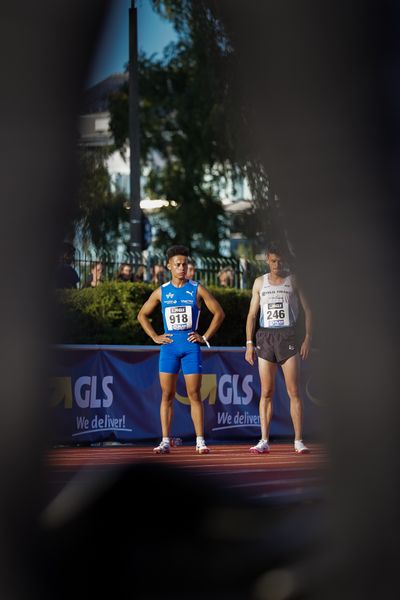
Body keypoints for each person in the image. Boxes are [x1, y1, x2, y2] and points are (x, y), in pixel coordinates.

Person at [137, 245, 225, 454]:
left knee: (194, 394)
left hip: (190, 347)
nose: (182, 268)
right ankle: (165, 440)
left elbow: (219, 313)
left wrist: (204, 337)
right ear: (169, 266)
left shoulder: (196, 289)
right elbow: (142, 315)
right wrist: (154, 336)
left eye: (185, 264)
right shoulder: (162, 291)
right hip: (168, 348)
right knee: (167, 394)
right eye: (178, 264)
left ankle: (200, 441)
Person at [244, 243, 312, 454]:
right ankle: (263, 440)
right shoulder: (259, 282)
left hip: (287, 336)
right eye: (273, 260)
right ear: (267, 260)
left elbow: (309, 311)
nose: (276, 264)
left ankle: (298, 440)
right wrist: (249, 344)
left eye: (280, 261)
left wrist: (308, 338)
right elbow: (252, 315)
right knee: (266, 391)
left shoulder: (294, 281)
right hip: (265, 336)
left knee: (293, 391)